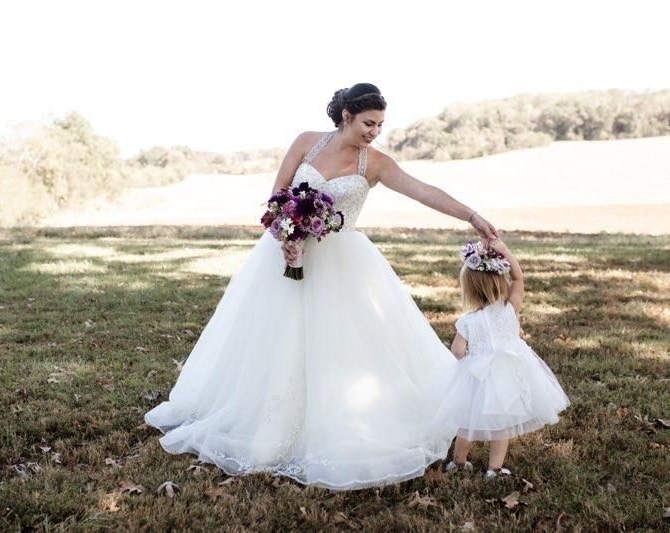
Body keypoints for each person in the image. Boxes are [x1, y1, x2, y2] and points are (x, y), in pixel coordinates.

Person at [144, 82, 500, 490]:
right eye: (369, 123)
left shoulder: (376, 163)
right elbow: (277, 196)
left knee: (344, 344)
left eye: (381, 125)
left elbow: (423, 191)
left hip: (343, 262)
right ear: (346, 115)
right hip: (284, 254)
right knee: (279, 339)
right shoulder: (307, 143)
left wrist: (471, 216)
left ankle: (347, 418)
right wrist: (286, 233)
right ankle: (267, 423)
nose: (374, 132)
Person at [431, 237, 569, 478]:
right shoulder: (510, 308)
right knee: (501, 425)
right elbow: (518, 278)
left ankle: (459, 462)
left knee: (467, 421)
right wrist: (505, 251)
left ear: (470, 291)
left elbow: (457, 351)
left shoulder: (467, 322)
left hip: (478, 376)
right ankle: (494, 469)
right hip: (507, 376)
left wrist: (468, 361)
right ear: (499, 281)